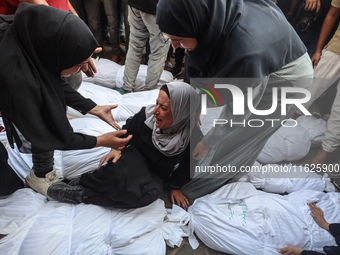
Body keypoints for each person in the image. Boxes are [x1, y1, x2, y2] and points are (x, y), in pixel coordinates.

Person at [156, 0, 314, 198]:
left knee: (238, 139)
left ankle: (198, 190)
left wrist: (207, 143)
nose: (174, 46)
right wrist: (195, 105)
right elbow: (197, 63)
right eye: (169, 37)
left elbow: (239, 112)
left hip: (288, 81)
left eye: (178, 39)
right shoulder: (213, 14)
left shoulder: (247, 53)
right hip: (263, 60)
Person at [0, 3, 132, 198]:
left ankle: (40, 175)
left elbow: (51, 83)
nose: (83, 70)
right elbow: (48, 133)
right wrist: (100, 141)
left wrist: (93, 107)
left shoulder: (32, 44)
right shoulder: (19, 80)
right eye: (80, 64)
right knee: (7, 188)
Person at [47, 82, 202, 210]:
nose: (155, 111)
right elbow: (127, 129)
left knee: (148, 197)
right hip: (134, 157)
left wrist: (175, 186)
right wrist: (116, 148)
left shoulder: (193, 137)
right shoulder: (147, 116)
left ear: (182, 113)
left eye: (164, 108)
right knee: (118, 174)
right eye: (157, 103)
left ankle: (82, 195)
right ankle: (83, 184)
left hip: (157, 173)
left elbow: (189, 166)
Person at [116, 0, 171, 94]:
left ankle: (126, 88)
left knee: (135, 46)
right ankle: (148, 92)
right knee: (158, 52)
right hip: (156, 7)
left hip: (134, 4)